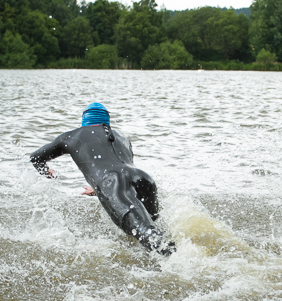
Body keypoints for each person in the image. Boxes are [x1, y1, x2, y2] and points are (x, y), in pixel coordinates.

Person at [30, 102, 175, 255]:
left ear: (85, 120)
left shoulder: (73, 136)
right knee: (156, 230)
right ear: (107, 120)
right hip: (143, 178)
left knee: (147, 233)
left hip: (112, 182)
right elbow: (121, 165)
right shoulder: (122, 138)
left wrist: (47, 173)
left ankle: (181, 262)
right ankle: (176, 253)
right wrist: (99, 186)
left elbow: (35, 158)